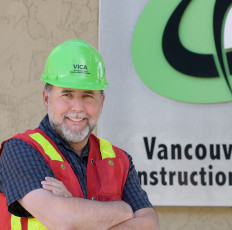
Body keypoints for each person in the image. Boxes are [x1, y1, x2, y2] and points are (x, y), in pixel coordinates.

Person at [0, 39, 159, 229]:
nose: (77, 108)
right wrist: (122, 210)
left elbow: (149, 224)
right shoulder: (20, 151)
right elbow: (62, 219)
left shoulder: (119, 160)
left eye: (88, 95)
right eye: (67, 95)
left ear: (102, 102)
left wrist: (74, 206)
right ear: (46, 98)